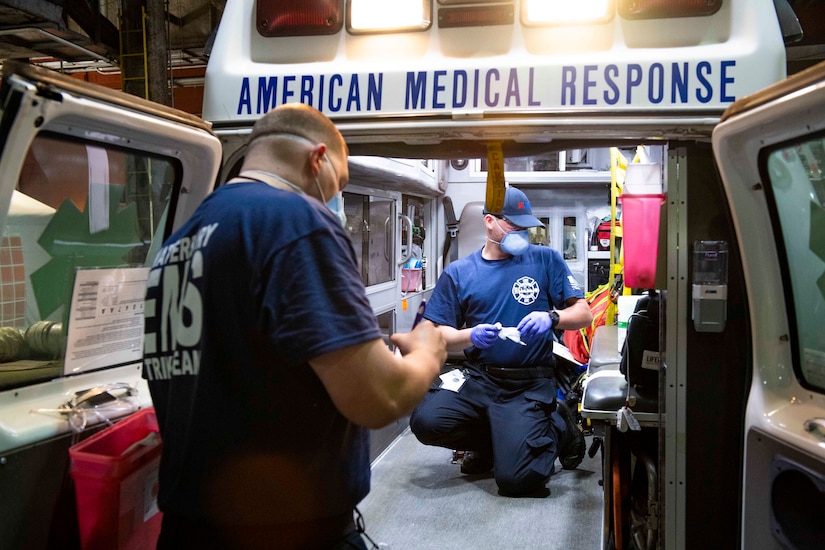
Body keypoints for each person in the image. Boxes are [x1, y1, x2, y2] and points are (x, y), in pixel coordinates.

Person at [142, 103, 446, 549]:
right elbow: (380, 398)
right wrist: (427, 352)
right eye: (340, 184)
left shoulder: (179, 241)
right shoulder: (296, 221)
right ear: (317, 159)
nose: (335, 200)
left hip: (188, 529)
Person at [409, 185, 592, 497]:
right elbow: (434, 335)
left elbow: (584, 312)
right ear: (489, 221)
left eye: (526, 227)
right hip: (482, 379)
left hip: (529, 383)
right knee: (427, 420)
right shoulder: (459, 273)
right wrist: (471, 334)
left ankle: (560, 423)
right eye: (514, 225)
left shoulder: (545, 260)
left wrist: (552, 317)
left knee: (517, 481)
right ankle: (492, 444)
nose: (522, 233)